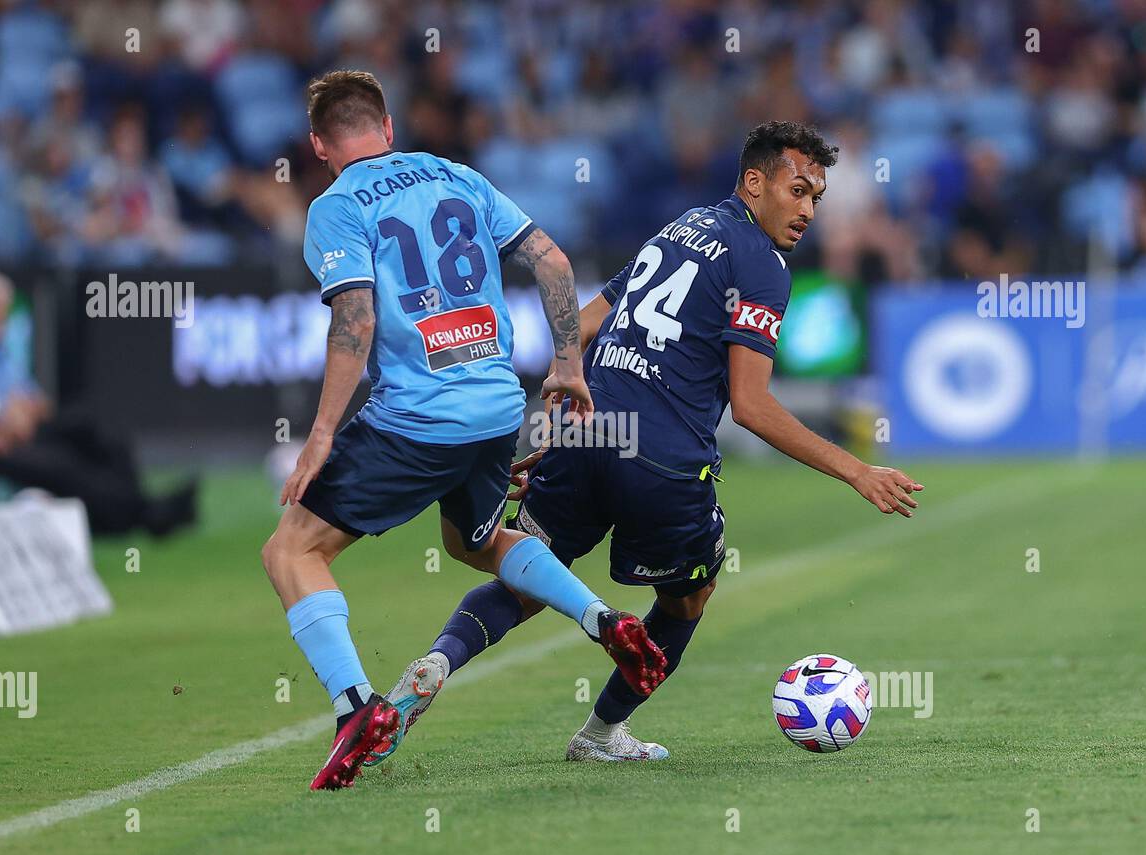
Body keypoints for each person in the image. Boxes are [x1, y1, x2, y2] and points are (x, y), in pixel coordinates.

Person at [387, 121, 924, 761]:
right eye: (798, 189)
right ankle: (601, 734)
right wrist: (857, 470)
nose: (808, 209)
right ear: (755, 183)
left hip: (587, 432)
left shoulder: (681, 226)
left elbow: (587, 320)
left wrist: (546, 413)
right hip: (663, 459)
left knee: (527, 574)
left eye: (817, 197)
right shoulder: (763, 266)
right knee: (688, 595)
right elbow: (751, 406)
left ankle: (437, 664)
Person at [259, 71, 665, 791]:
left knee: (291, 549)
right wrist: (568, 364)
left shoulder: (336, 205)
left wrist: (321, 434)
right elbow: (554, 261)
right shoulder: (458, 176)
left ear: (320, 143)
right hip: (497, 404)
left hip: (420, 416)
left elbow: (355, 319)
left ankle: (357, 709)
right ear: (387, 126)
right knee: (474, 542)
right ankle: (604, 619)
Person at [0, 272, 196, 535]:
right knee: (58, 464)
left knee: (92, 432)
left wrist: (4, 422)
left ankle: (133, 511)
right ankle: (136, 515)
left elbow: (28, 405)